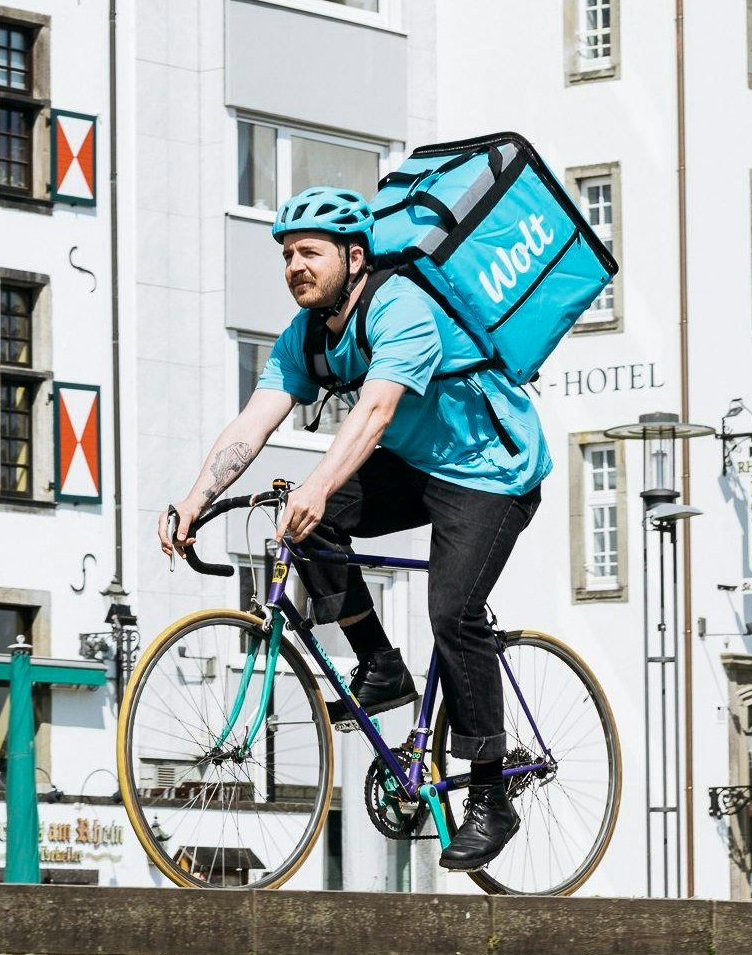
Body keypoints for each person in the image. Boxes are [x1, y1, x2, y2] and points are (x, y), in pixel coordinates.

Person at [157, 185, 552, 871]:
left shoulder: (401, 306)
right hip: (420, 464)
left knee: (452, 610)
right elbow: (254, 420)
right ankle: (381, 663)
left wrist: (318, 483)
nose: (294, 266)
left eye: (309, 252)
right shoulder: (307, 335)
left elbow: (372, 413)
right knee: (304, 522)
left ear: (354, 254)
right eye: (286, 254)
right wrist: (193, 500)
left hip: (493, 469)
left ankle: (491, 791)